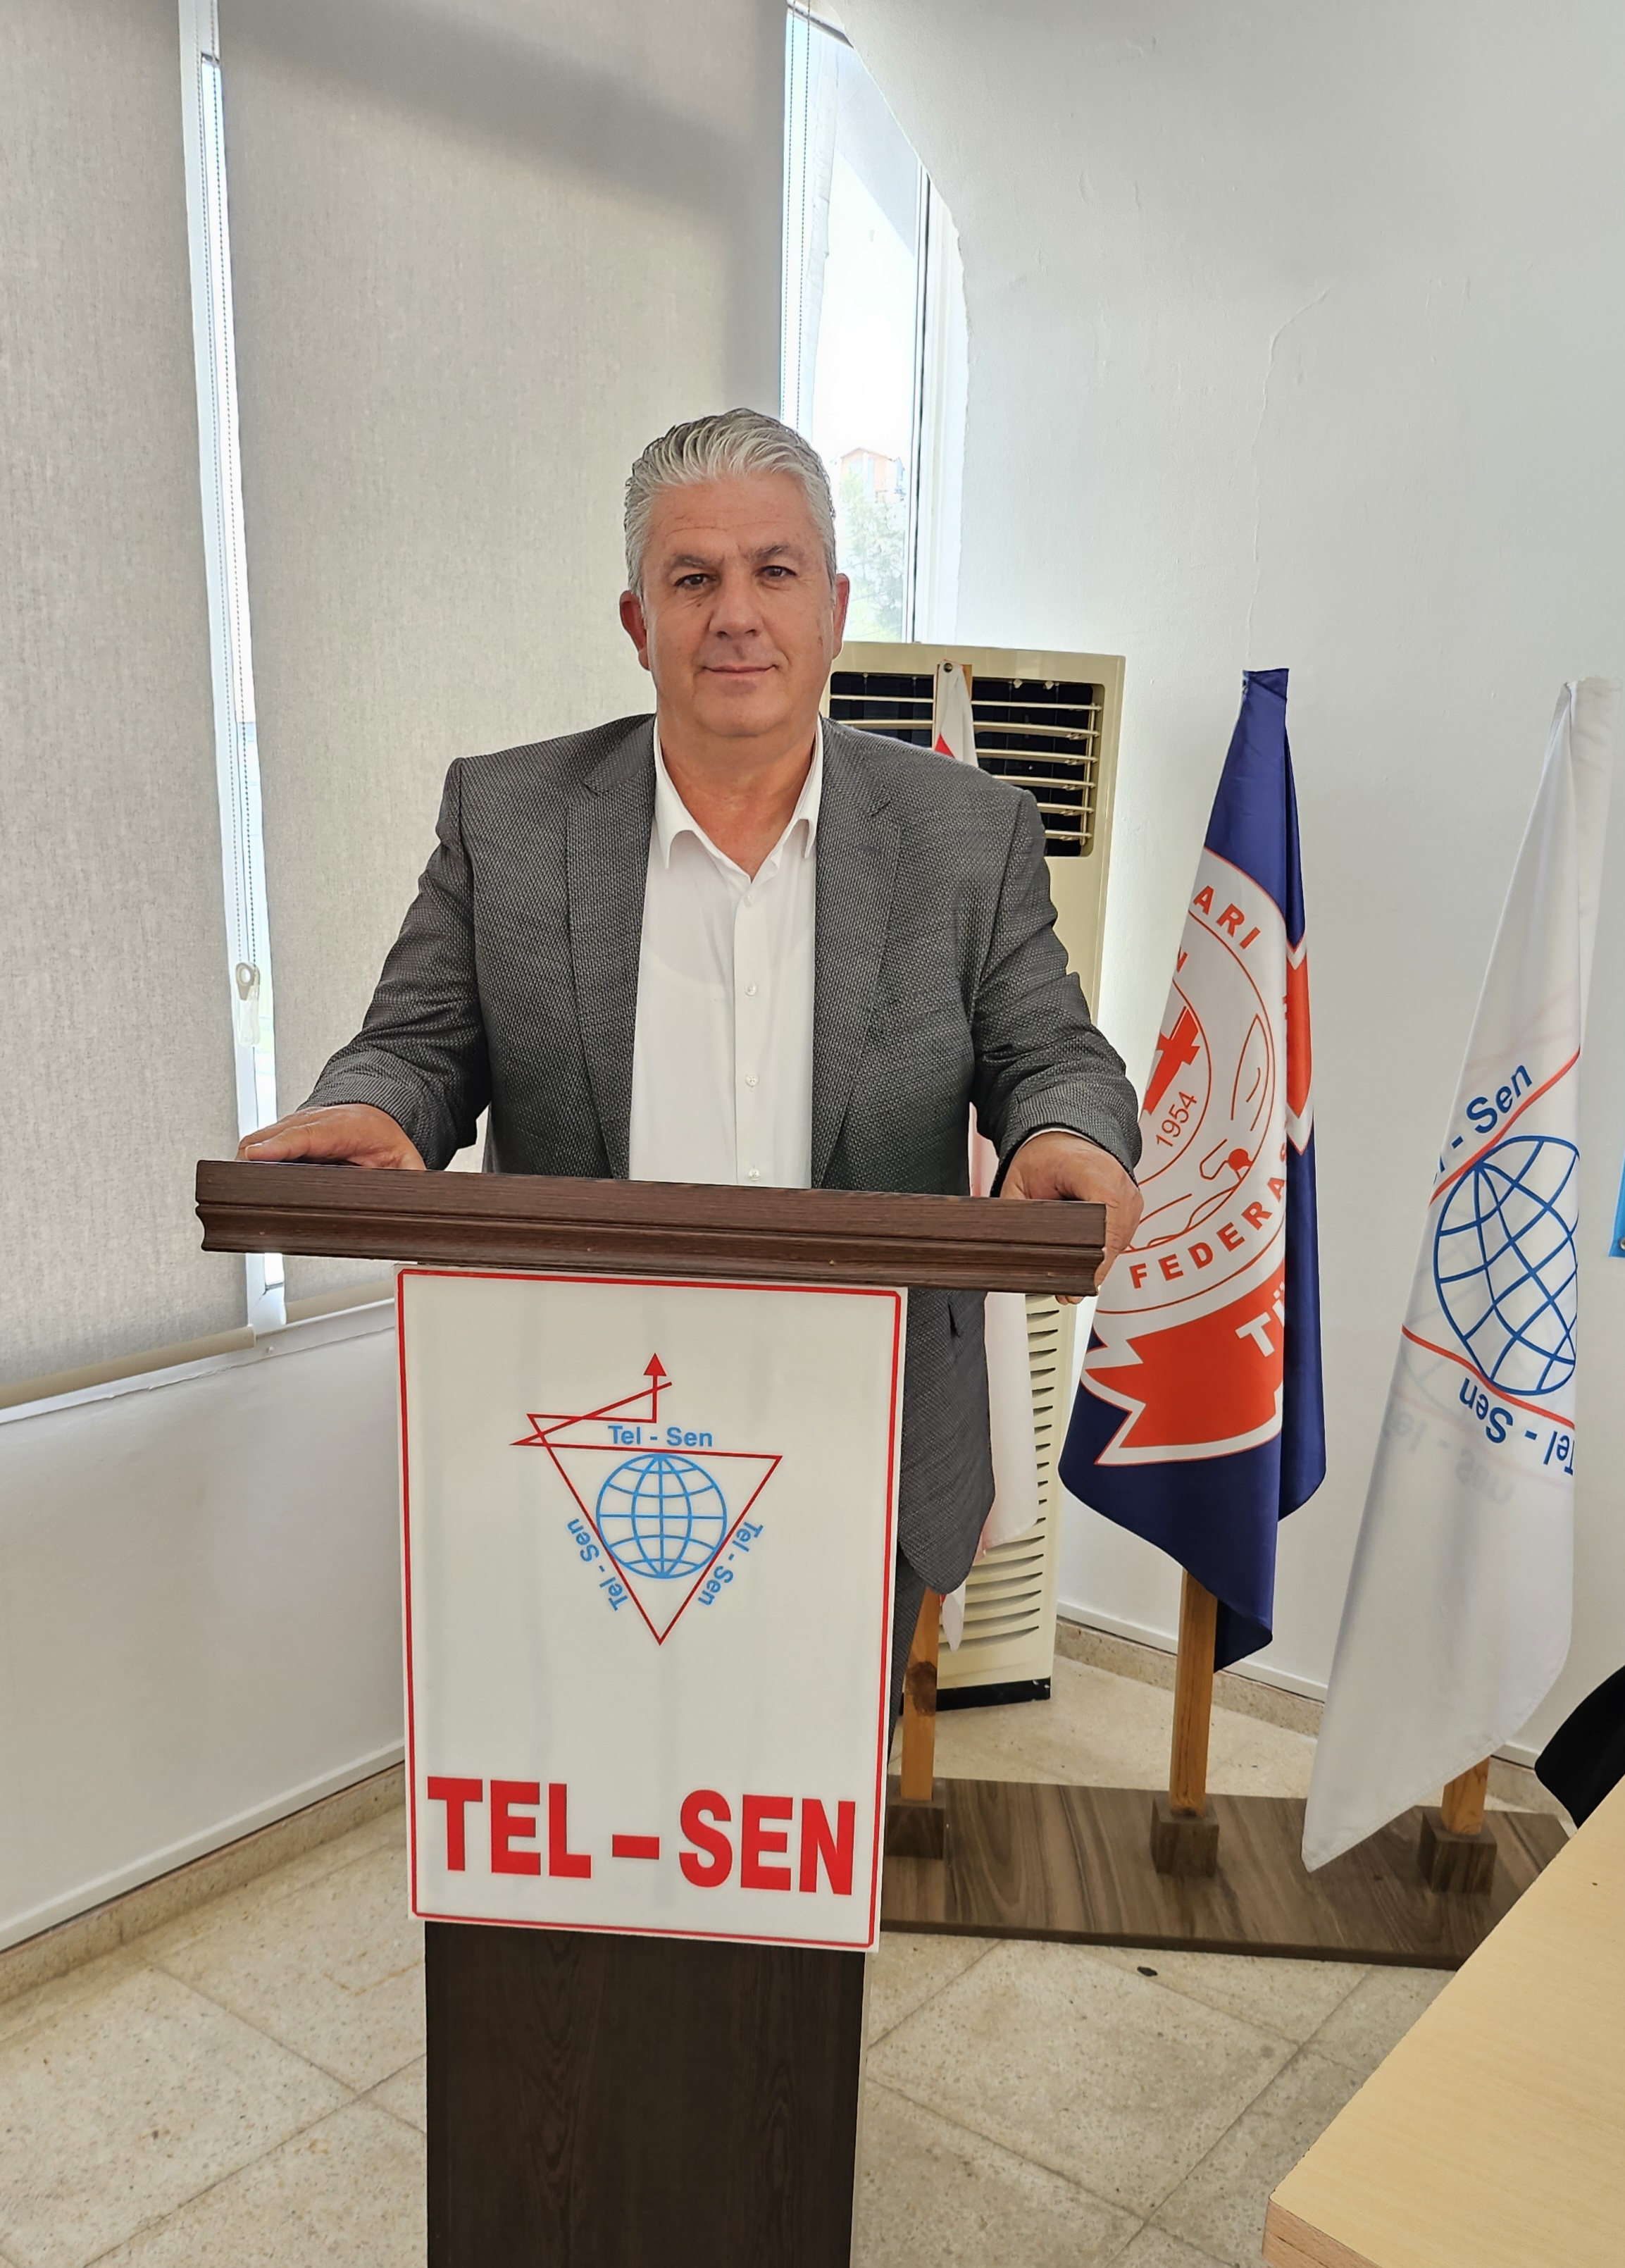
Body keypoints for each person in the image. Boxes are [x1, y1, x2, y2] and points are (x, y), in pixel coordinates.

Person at [239, 407, 1143, 1715]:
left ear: (833, 608)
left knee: (813, 1803)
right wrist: (375, 1111)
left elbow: (1051, 1051)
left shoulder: (968, 832)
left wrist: (1063, 1134)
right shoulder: (507, 816)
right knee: (583, 1783)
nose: (737, 615)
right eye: (693, 577)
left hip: (864, 1432)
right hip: (574, 1432)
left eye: (774, 571)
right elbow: (415, 1047)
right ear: (637, 621)